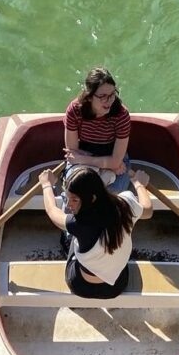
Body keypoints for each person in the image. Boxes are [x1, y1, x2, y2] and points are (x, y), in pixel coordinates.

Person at [38, 165, 153, 299]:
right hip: (116, 286)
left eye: (74, 200)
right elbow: (148, 211)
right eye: (68, 198)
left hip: (81, 286)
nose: (69, 205)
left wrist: (46, 185)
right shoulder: (126, 203)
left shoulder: (77, 223)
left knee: (72, 239)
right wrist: (139, 184)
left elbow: (52, 211)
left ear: (92, 198)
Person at [64, 67, 131, 194]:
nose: (110, 101)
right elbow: (72, 152)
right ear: (89, 96)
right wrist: (108, 164)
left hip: (109, 153)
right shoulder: (74, 110)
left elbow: (116, 159)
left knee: (110, 194)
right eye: (102, 96)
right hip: (85, 152)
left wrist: (84, 159)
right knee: (76, 192)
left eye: (112, 94)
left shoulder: (121, 114)